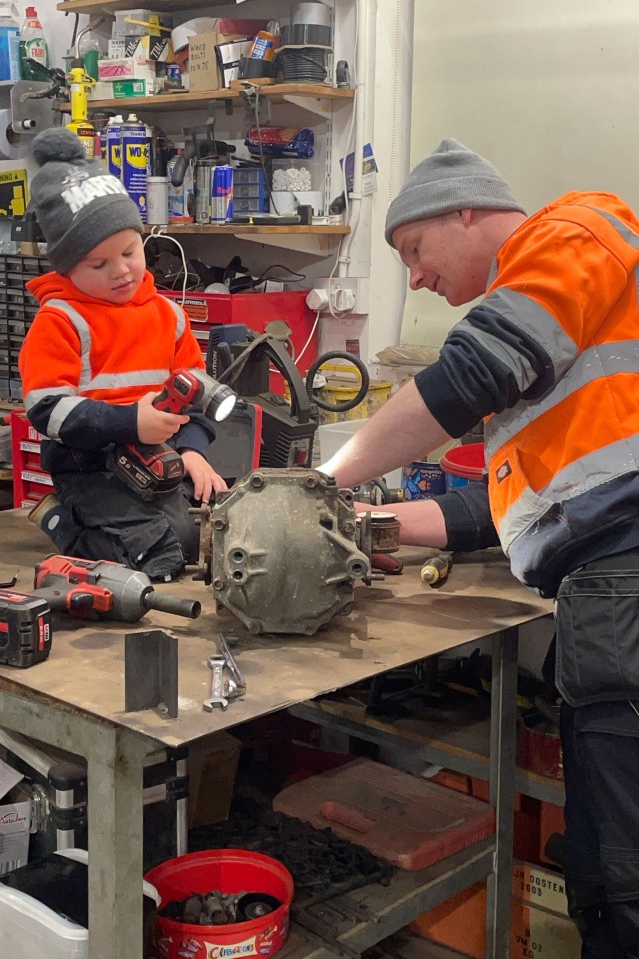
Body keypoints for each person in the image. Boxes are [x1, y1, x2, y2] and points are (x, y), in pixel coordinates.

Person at [321, 138, 639, 958]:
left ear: (466, 210)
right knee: (607, 861)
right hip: (608, 592)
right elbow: (507, 513)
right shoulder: (560, 345)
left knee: (623, 877)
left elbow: (465, 377)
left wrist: (323, 479)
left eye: (414, 250)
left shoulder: (574, 231)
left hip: (626, 587)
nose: (417, 278)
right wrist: (368, 522)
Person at [19, 128, 227, 581]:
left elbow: (193, 392)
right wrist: (129, 422)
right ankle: (63, 522)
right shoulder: (60, 320)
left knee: (203, 543)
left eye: (130, 252)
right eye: (99, 264)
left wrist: (193, 451)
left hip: (157, 461)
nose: (122, 271)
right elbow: (48, 410)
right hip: (90, 471)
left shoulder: (168, 316)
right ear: (67, 267)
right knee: (155, 561)